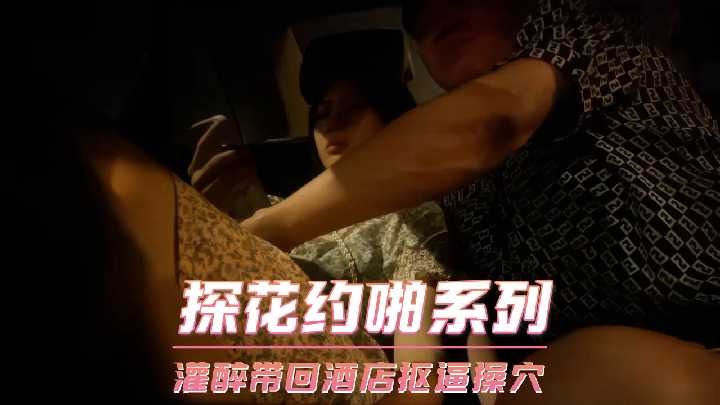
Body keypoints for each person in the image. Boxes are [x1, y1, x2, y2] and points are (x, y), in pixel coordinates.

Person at [239, 1, 720, 404]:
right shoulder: (458, 195)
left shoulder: (590, 46)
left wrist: (261, 231)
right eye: (415, 16)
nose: (429, 13)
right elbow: (467, 314)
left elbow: (488, 123)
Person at [74, 29, 457, 405]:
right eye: (322, 113)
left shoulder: (405, 217)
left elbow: (419, 366)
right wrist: (216, 210)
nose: (332, 125)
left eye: (354, 108)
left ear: (392, 116)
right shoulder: (274, 205)